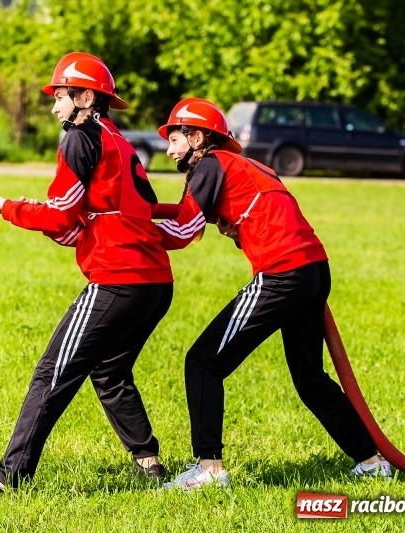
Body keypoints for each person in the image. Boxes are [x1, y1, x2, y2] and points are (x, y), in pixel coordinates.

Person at [154, 97, 391, 490]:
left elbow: (184, 230)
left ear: (197, 137)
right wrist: (141, 210)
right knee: (310, 378)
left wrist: (127, 233)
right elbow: (203, 212)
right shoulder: (245, 165)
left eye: (175, 138)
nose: (169, 148)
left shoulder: (210, 164)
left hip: (282, 273)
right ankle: (371, 461)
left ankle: (209, 470)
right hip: (314, 268)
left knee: (202, 363)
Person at [0, 52, 174, 495]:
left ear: (87, 97)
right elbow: (97, 214)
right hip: (155, 283)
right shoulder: (115, 138)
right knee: (108, 370)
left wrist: (8, 207)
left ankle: (8, 480)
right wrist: (38, 210)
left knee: (51, 373)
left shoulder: (79, 138)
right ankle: (149, 465)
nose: (54, 106)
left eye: (60, 96)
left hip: (118, 279)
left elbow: (63, 217)